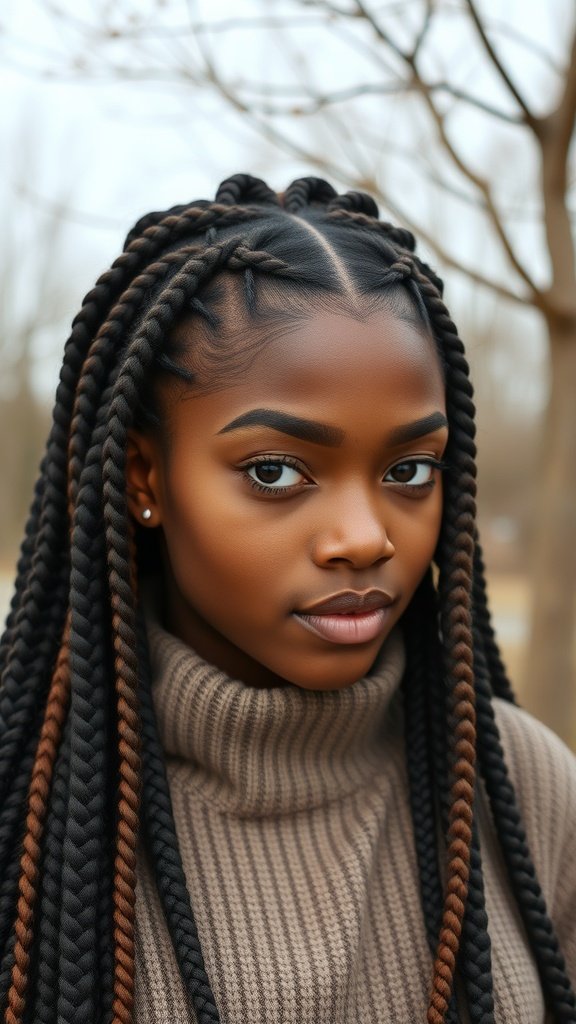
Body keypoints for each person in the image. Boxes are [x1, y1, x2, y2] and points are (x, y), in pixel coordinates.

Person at [0, 173, 574, 1024]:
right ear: (145, 478)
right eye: (276, 472)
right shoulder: (28, 804)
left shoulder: (523, 788)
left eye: (409, 471)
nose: (365, 537)